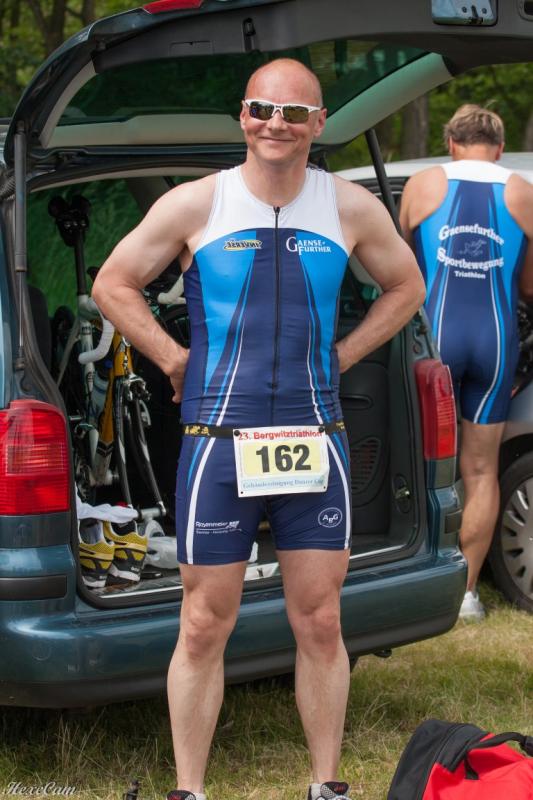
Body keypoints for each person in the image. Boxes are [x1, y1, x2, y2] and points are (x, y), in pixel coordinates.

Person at [93, 58, 425, 800]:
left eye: (293, 112)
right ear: (243, 117)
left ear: (318, 123)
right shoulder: (197, 202)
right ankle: (189, 789)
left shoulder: (348, 207)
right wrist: (172, 358)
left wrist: (345, 353)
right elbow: (113, 283)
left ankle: (325, 785)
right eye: (261, 109)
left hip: (314, 435)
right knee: (204, 623)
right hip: (217, 439)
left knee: (320, 619)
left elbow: (406, 285)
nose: (276, 123)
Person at [400, 104, 533, 622]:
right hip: (494, 342)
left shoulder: (422, 185)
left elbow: (400, 271)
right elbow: (529, 286)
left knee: (419, 464)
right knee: (480, 470)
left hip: (434, 342)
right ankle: (467, 595)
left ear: (451, 142)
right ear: (498, 148)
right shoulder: (522, 192)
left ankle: (410, 579)